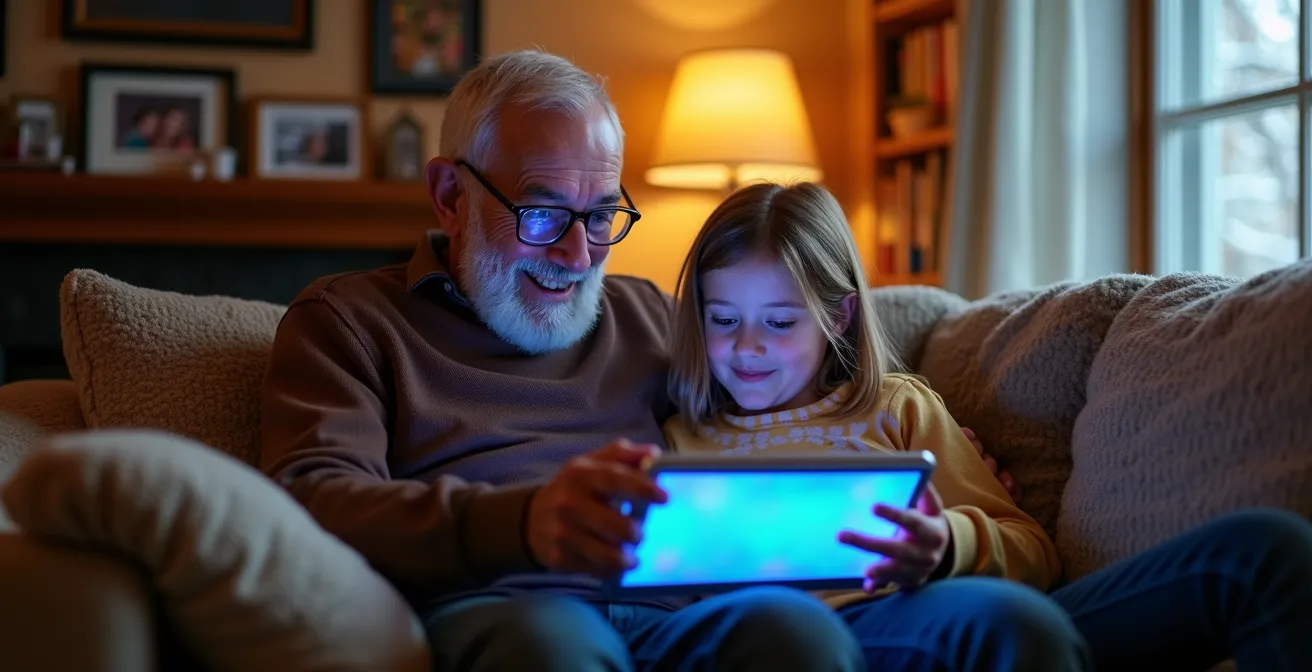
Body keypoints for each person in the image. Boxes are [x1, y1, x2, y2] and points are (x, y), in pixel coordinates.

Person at [259, 48, 1312, 671]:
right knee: (552, 646)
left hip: (697, 609)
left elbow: (797, 373)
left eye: (599, 214)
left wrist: (922, 487)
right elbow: (308, 500)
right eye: (540, 214)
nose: (576, 252)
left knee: (787, 630)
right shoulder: (348, 321)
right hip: (505, 596)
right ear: (449, 194)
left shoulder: (642, 315)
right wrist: (518, 520)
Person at [663, 181, 1088, 670]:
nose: (747, 346)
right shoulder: (680, 440)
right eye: (723, 320)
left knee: (1022, 623)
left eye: (779, 323)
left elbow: (1032, 549)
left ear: (839, 317)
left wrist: (948, 544)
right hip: (766, 644)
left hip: (899, 621)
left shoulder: (897, 407)